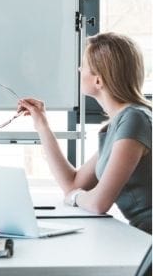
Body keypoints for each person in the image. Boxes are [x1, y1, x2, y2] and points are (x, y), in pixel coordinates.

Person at [18, 32, 151, 233]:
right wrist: (42, 124)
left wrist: (75, 197)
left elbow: (98, 203)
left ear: (99, 80)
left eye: (84, 64)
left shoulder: (134, 119)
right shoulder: (121, 123)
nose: (79, 69)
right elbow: (73, 183)